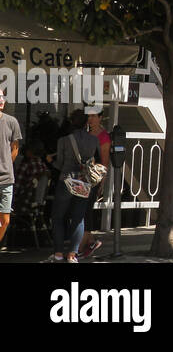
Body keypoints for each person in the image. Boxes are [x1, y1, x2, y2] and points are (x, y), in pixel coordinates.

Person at [49, 110, 99, 263]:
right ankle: (72, 255)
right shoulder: (93, 140)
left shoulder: (64, 140)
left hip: (67, 180)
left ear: (71, 122)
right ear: (86, 123)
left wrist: (50, 160)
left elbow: (60, 163)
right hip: (84, 182)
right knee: (78, 218)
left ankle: (58, 253)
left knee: (58, 217)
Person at [75, 108, 111, 260]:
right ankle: (90, 241)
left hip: (93, 179)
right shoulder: (85, 133)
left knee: (86, 210)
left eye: (94, 116)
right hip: (80, 177)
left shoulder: (104, 137)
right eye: (88, 116)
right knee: (79, 210)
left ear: (100, 117)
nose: (90, 119)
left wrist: (101, 183)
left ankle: (83, 245)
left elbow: (104, 162)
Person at [0, 88, 21, 250]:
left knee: (5, 219)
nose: (1, 101)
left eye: (2, 98)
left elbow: (15, 148)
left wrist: (7, 163)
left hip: (6, 177)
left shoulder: (11, 121)